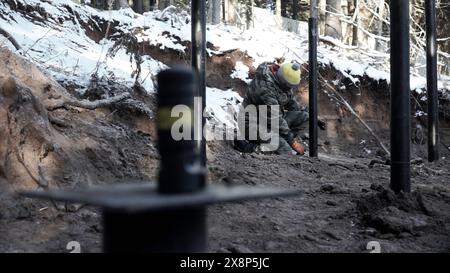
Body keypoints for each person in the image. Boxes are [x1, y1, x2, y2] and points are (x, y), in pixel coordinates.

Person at [235, 61, 310, 155]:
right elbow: (276, 119)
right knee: (285, 150)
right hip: (250, 125)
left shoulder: (280, 80)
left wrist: (312, 116)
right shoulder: (265, 90)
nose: (290, 89)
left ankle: (278, 138)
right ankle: (248, 147)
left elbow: (291, 103)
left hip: (268, 121)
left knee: (305, 117)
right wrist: (293, 143)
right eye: (289, 86)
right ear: (284, 83)